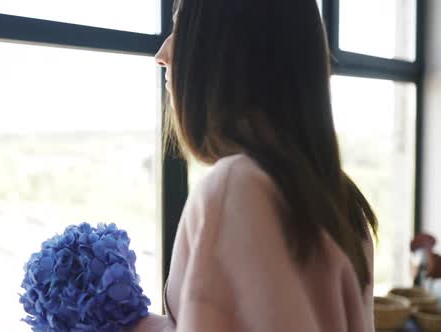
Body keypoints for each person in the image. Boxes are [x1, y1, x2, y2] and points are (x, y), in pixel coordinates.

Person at [131, 0, 377, 331]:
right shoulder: (340, 199)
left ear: (228, 49)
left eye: (180, 28)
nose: (162, 52)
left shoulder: (237, 188)